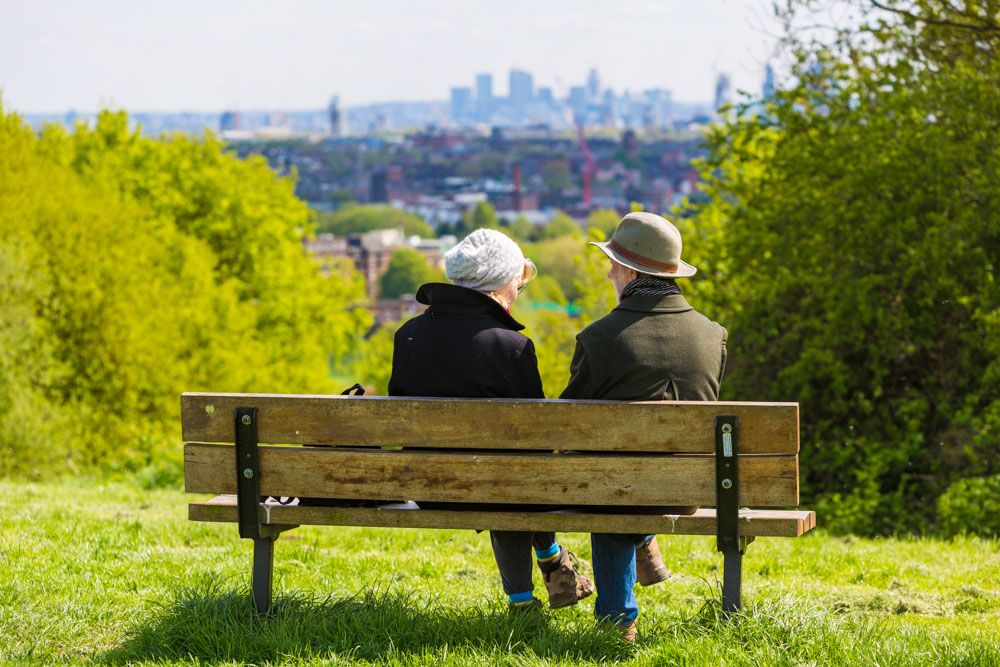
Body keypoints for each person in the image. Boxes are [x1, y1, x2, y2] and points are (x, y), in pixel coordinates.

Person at [388, 228, 593, 610]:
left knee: (506, 472)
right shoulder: (511, 346)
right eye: (518, 284)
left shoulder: (408, 335)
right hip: (498, 487)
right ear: (498, 285)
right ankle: (548, 565)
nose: (518, 292)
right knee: (512, 473)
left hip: (430, 489)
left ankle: (534, 585)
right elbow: (535, 439)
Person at [560, 212, 728, 641]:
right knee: (634, 470)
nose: (609, 271)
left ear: (631, 271)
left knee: (613, 481)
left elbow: (564, 425)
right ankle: (645, 544)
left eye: (613, 264)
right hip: (687, 488)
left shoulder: (599, 339)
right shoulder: (713, 336)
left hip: (617, 491)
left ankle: (619, 620)